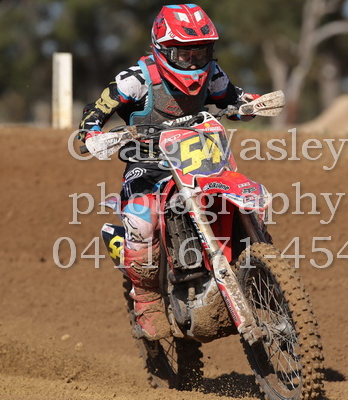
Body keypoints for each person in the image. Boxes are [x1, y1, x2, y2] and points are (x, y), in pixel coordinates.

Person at [77, 4, 259, 341]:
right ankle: (147, 301)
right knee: (143, 222)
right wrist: (91, 134)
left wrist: (250, 104)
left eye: (200, 52)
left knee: (240, 195)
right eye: (183, 53)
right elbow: (95, 111)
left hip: (200, 157)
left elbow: (232, 99)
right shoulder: (135, 79)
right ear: (161, 49)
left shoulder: (212, 73)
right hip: (147, 165)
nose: (192, 61)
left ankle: (259, 265)